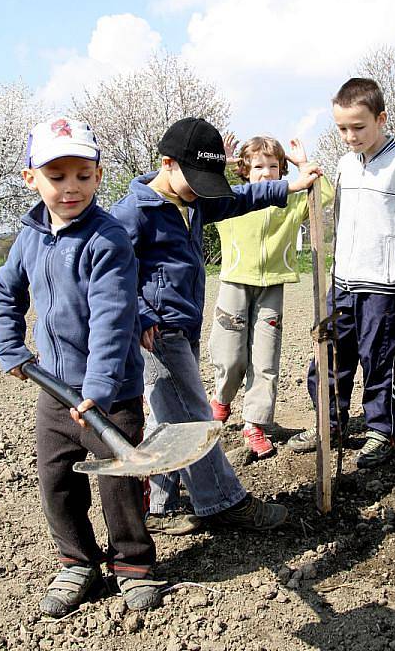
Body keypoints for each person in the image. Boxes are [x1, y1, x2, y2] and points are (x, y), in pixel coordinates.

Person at [110, 117, 321, 535]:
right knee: (191, 418)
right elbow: (111, 275)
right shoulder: (133, 213)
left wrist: (288, 187)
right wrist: (143, 316)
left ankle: (159, 503)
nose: (203, 188)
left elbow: (241, 198)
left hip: (183, 325)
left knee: (168, 418)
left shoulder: (192, 199)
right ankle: (222, 501)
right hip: (158, 332)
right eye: (197, 177)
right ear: (167, 163)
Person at [0, 119, 161, 617]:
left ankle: (132, 563)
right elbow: (7, 292)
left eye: (83, 176)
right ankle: (77, 559)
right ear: (31, 179)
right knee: (56, 479)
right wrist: (10, 346)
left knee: (119, 480)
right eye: (57, 175)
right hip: (54, 388)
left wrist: (100, 389)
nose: (71, 188)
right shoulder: (29, 237)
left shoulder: (107, 240)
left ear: (98, 176)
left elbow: (113, 318)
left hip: (111, 392)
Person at [287, 77, 395, 468]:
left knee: (380, 359)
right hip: (343, 284)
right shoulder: (345, 165)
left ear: (381, 119)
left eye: (358, 127)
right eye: (342, 128)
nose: (350, 136)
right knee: (330, 357)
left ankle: (380, 430)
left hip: (384, 288)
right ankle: (330, 423)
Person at [208, 136, 334, 457]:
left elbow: (326, 194)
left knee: (265, 358)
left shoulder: (289, 202)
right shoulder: (232, 199)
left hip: (272, 287)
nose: (266, 173)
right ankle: (222, 400)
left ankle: (256, 423)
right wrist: (221, 163)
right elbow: (207, 192)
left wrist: (302, 164)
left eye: (273, 167)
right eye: (258, 166)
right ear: (245, 170)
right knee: (231, 354)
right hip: (235, 283)